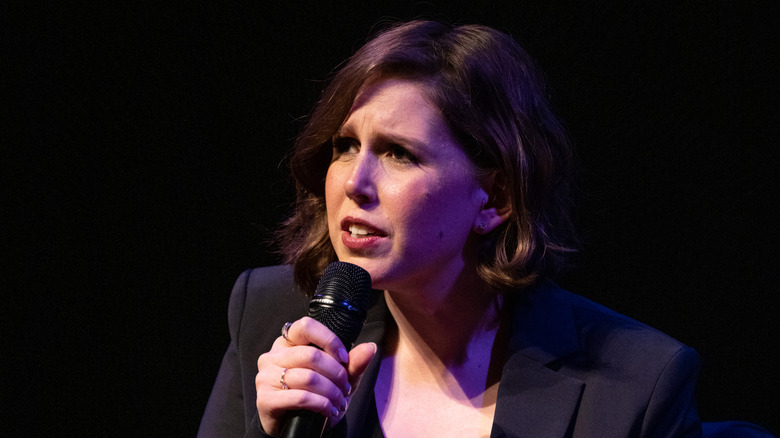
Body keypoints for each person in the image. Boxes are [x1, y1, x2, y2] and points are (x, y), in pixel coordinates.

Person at [198, 20, 701, 437]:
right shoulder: (273, 320)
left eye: (399, 153)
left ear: (496, 197)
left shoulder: (636, 383)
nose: (356, 182)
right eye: (344, 146)